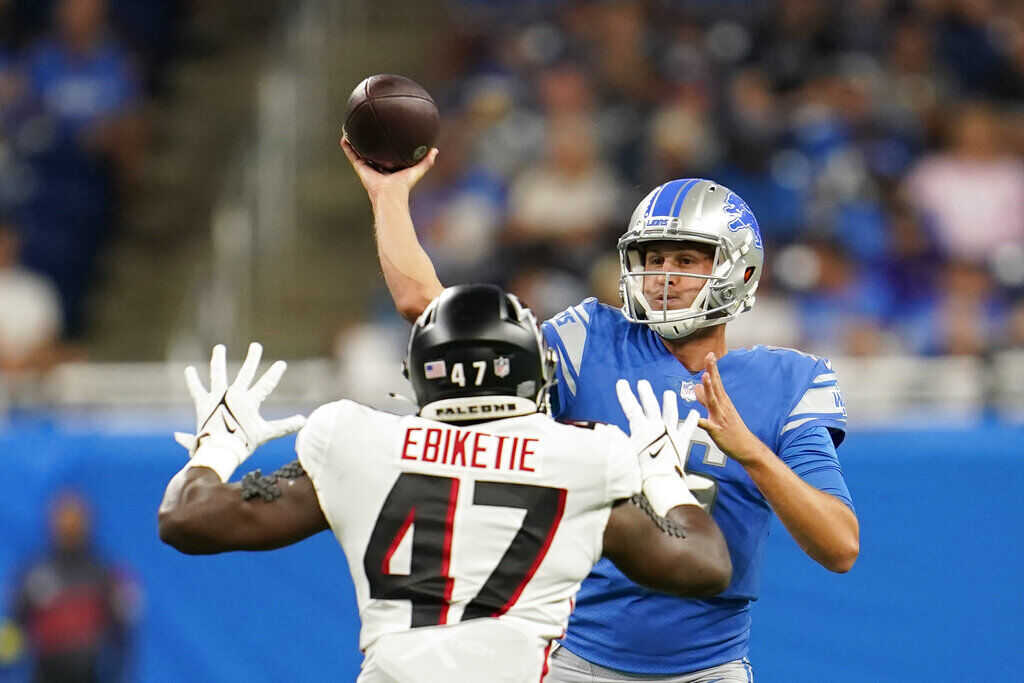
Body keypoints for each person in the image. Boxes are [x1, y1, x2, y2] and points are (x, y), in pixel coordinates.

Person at [343, 142, 860, 681]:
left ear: (742, 272)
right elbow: (436, 315)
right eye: (653, 258)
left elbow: (839, 545)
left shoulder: (788, 381)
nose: (663, 275)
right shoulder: (589, 340)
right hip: (577, 658)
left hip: (711, 667)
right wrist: (389, 196)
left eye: (686, 259)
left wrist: (750, 450)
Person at [159, 284, 732, 681]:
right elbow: (703, 567)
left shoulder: (356, 439)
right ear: (535, 372)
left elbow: (188, 519)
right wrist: (662, 478)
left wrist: (219, 445)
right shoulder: (586, 456)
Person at [10, 491, 137, 682]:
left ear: (88, 524)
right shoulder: (33, 574)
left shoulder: (105, 575)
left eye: (76, 521)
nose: (70, 527)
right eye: (64, 520)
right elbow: (14, 629)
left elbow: (123, 635)